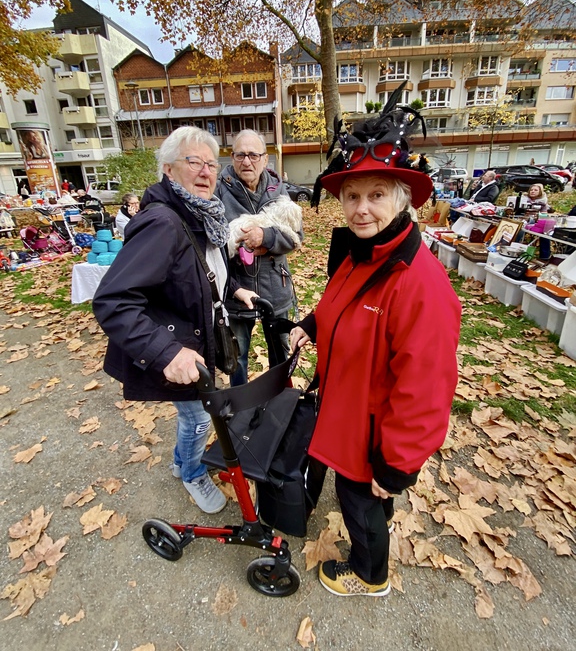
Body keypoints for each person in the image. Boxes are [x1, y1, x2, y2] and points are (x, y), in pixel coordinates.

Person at [290, 105, 461, 598]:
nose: (362, 208)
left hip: (371, 432)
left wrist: (398, 464)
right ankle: (377, 517)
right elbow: (338, 305)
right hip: (346, 408)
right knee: (362, 498)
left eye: (377, 195)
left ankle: (370, 574)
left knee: (358, 498)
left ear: (403, 199)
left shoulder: (419, 283)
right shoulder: (362, 253)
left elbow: (426, 387)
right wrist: (311, 325)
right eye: (352, 195)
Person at [93, 126, 257, 513]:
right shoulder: (163, 223)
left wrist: (234, 288)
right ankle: (191, 472)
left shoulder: (200, 215)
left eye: (211, 164)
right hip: (176, 348)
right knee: (199, 418)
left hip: (197, 338)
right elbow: (113, 300)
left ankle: (181, 462)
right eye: (193, 162)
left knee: (194, 415)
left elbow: (205, 268)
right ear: (168, 170)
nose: (205, 172)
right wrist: (166, 354)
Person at [217, 129, 303, 385]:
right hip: (236, 291)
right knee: (237, 355)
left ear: (265, 159)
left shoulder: (279, 190)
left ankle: (280, 401)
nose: (247, 161)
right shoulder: (218, 191)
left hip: (276, 286)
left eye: (253, 155)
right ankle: (242, 409)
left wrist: (265, 238)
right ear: (232, 158)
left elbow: (297, 236)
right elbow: (213, 246)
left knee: (280, 353)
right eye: (240, 155)